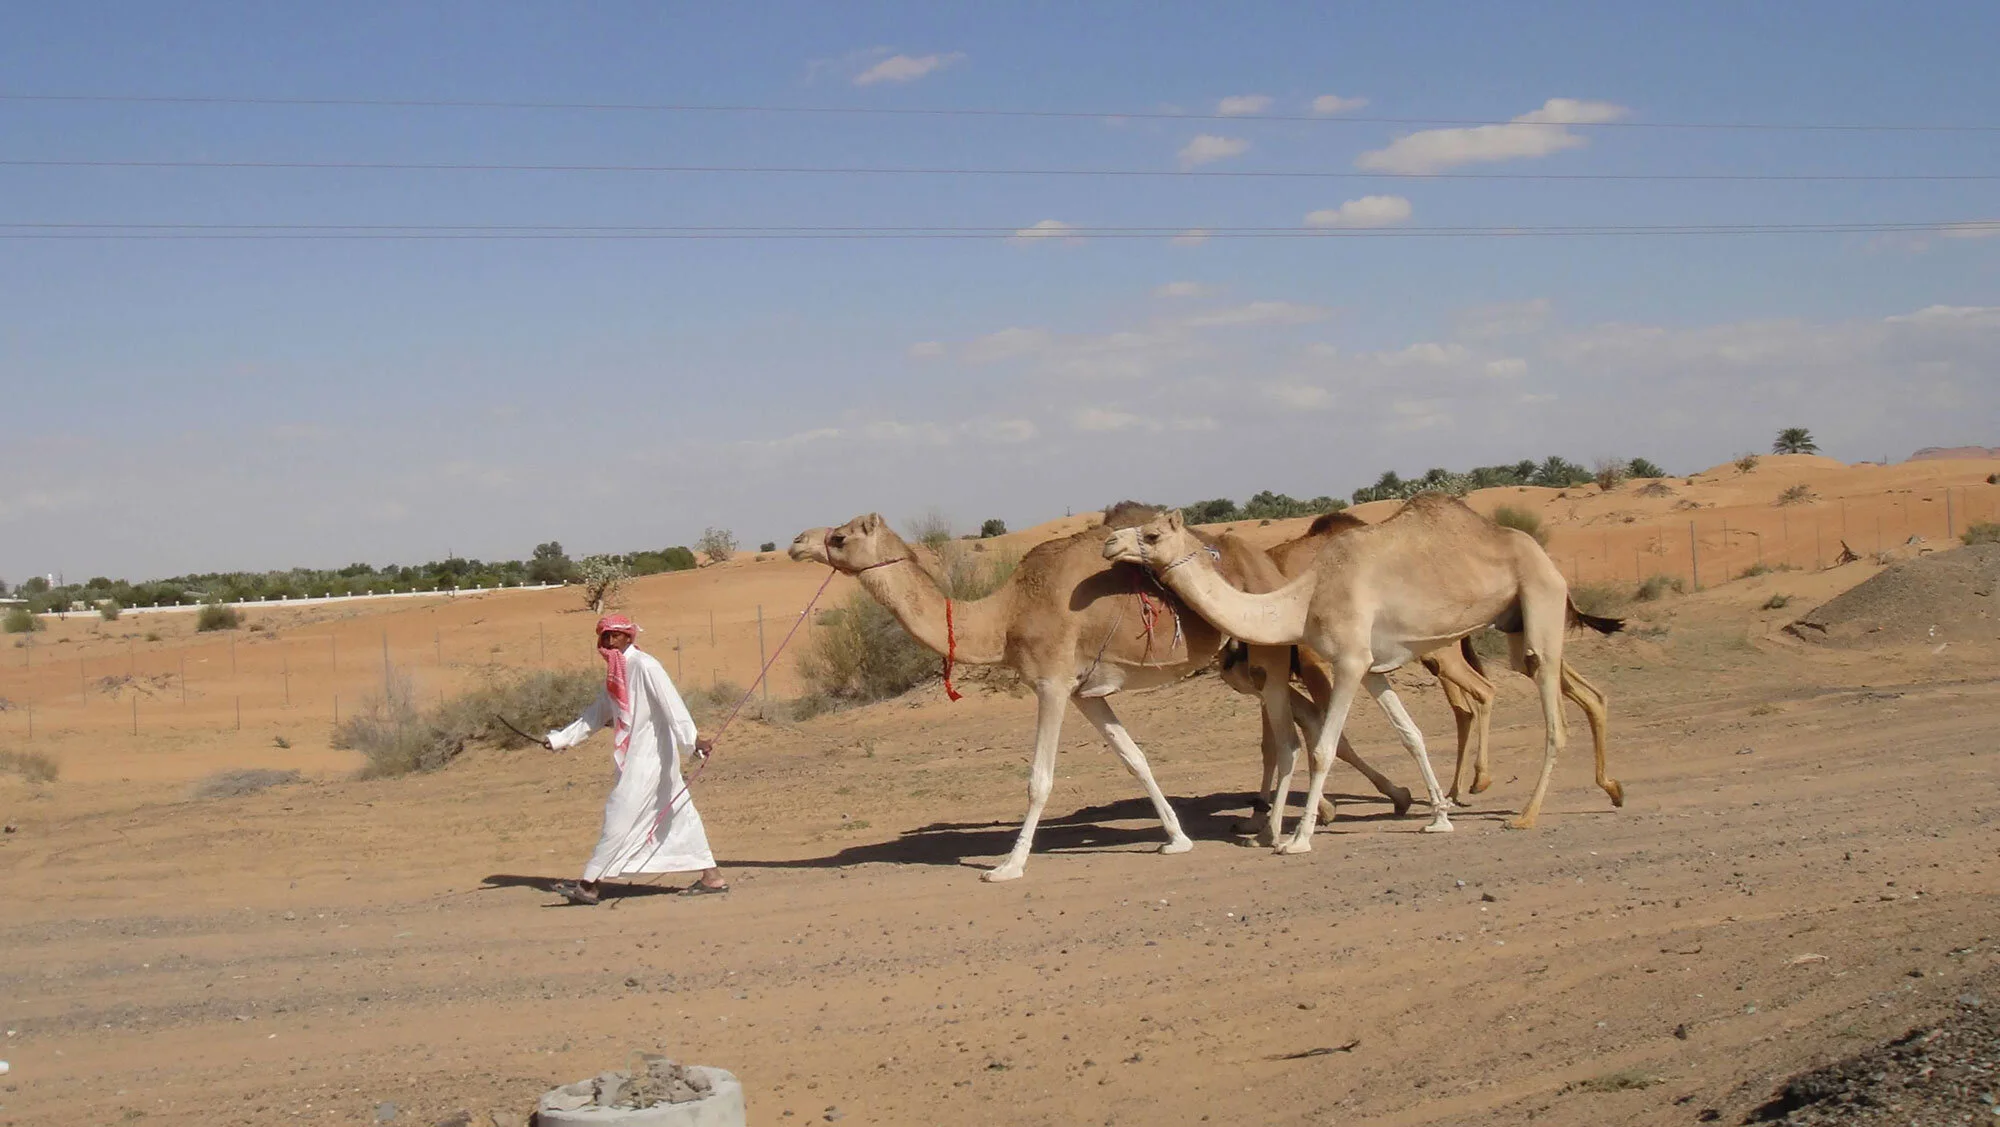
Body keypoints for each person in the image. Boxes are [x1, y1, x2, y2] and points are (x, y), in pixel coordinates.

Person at [544, 613, 729, 905]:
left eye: (614, 635)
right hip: (635, 757)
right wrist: (560, 739)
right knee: (680, 813)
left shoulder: (645, 665)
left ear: (629, 637)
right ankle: (712, 877)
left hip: (651, 759)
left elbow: (673, 705)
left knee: (620, 813)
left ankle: (590, 883)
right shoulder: (618, 672)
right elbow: (597, 713)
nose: (608, 641)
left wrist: (692, 740)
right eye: (604, 636)